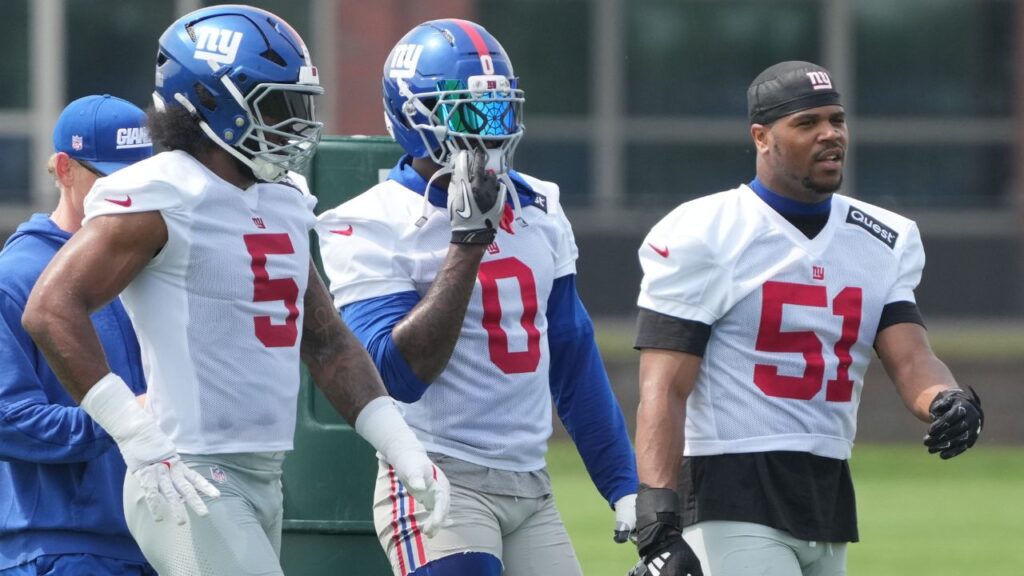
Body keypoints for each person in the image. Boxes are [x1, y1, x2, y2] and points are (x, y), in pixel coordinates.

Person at [21, 6, 449, 576]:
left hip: (262, 473)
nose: (296, 123)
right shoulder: (164, 194)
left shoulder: (282, 197)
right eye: (277, 105)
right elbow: (50, 309)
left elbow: (324, 342)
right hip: (187, 470)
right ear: (211, 104)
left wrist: (399, 444)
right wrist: (132, 432)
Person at [629, 60, 984, 576]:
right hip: (731, 487)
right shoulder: (705, 231)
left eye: (836, 120)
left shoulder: (882, 237)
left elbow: (911, 358)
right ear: (761, 136)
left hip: (827, 488)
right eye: (807, 123)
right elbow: (663, 387)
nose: (830, 134)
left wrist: (947, 400)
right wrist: (657, 517)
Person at [317, 18, 638, 576]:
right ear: (415, 118)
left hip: (531, 484)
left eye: (500, 112)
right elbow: (399, 374)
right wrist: (467, 243)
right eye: (470, 114)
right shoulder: (368, 221)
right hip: (437, 476)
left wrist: (623, 485)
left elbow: (571, 352)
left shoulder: (539, 205)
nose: (491, 133)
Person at [0, 94, 154, 576]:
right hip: (60, 551)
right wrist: (123, 418)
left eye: (143, 179)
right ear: (64, 169)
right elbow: (7, 417)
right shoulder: (17, 276)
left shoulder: (156, 264)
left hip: (161, 544)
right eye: (112, 177)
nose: (130, 194)